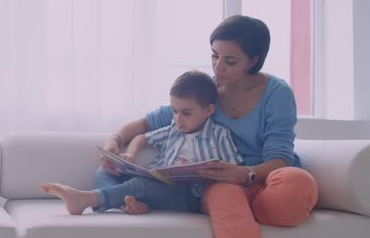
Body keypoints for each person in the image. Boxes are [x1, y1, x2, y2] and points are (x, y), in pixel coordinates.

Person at [99, 15, 319, 238]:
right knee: (225, 195)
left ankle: (252, 208)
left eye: (230, 61)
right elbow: (147, 123)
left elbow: (280, 158)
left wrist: (244, 173)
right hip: (222, 185)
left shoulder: (277, 93)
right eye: (214, 56)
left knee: (296, 182)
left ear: (254, 60)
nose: (218, 67)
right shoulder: (206, 91)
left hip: (262, 179)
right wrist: (114, 140)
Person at [42, 70, 243, 215]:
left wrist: (215, 176)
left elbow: (236, 170)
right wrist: (131, 154)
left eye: (186, 113)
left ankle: (86, 199)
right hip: (157, 185)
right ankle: (131, 205)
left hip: (188, 198)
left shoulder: (220, 136)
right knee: (104, 171)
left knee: (140, 185)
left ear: (208, 110)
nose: (178, 118)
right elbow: (142, 137)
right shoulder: (174, 130)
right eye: (174, 111)